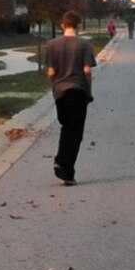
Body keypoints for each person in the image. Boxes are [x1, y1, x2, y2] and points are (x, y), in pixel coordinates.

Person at [45, 12, 97, 184]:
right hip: (78, 90)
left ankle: (61, 161)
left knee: (66, 126)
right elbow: (87, 70)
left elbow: (51, 71)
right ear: (78, 26)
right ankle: (66, 169)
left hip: (59, 92)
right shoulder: (84, 44)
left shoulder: (52, 45)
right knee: (75, 132)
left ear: (62, 25)